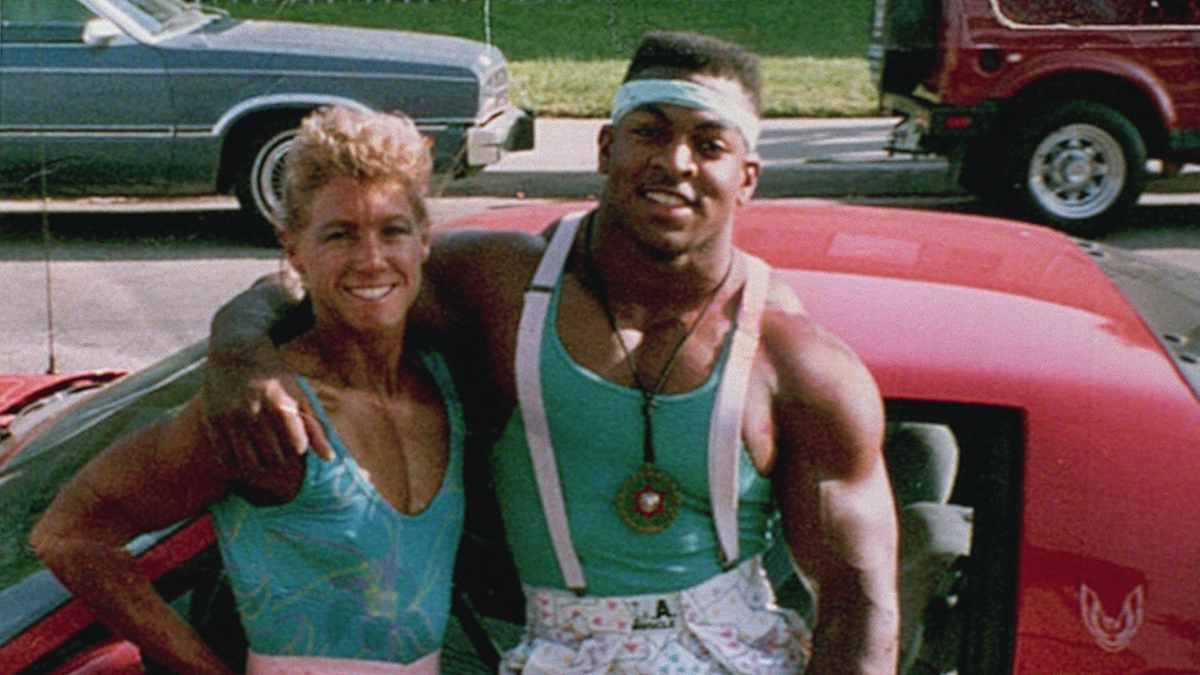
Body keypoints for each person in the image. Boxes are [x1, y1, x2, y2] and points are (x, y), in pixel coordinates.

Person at [203, 31, 899, 675]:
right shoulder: (503, 286)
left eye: (709, 143)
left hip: (737, 655)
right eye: (650, 132)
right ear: (606, 147)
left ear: (746, 176)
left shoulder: (793, 359)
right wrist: (240, 353)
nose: (675, 162)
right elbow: (310, 283)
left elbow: (860, 600)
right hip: (558, 653)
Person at [30, 105, 466, 675]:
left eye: (392, 230)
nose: (370, 259)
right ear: (294, 249)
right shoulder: (268, 410)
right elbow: (68, 534)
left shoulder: (444, 383)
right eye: (339, 235)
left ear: (424, 240)